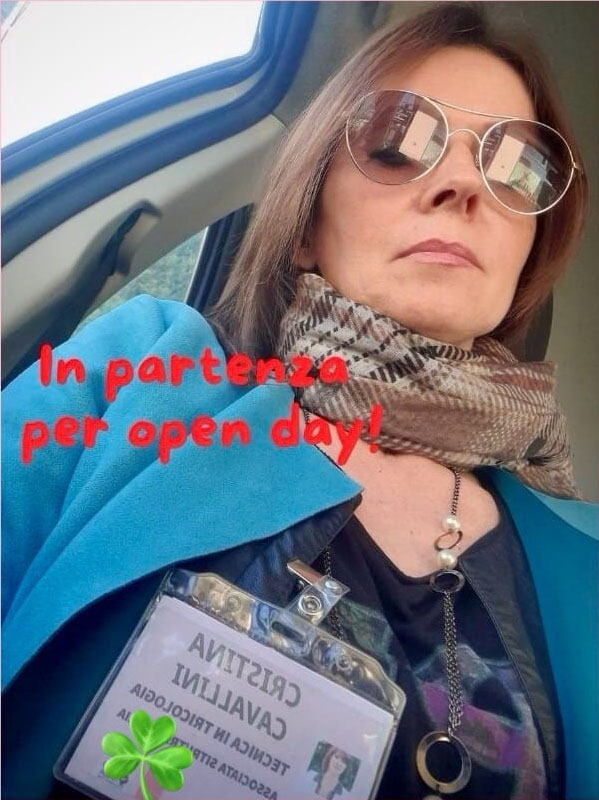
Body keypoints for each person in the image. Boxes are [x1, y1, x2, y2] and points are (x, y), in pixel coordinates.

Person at [2, 3, 597, 800]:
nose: (463, 185)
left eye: (517, 166)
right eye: (395, 143)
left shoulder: (584, 556)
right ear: (306, 223)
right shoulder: (135, 370)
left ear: (527, 248)